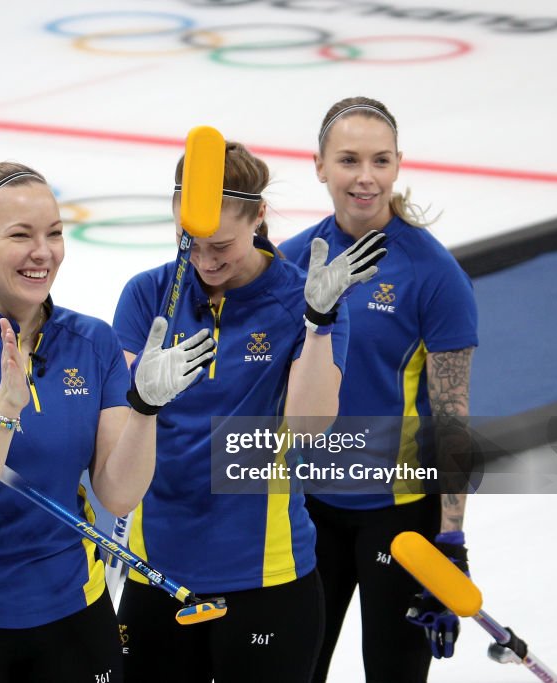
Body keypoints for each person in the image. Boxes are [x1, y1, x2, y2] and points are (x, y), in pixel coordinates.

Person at [0, 161, 215, 682]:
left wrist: (146, 408)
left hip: (73, 616)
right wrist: (4, 410)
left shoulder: (92, 342)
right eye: (21, 235)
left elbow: (118, 495)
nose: (44, 252)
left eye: (55, 233)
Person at [112, 141, 387, 683]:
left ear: (259, 216)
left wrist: (317, 323)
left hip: (265, 577)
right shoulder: (147, 296)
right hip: (156, 573)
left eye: (222, 246)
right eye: (188, 244)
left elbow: (309, 428)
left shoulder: (302, 297)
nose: (205, 261)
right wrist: (141, 400)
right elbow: (122, 434)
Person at [279, 96, 479, 682]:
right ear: (319, 166)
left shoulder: (433, 275)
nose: (365, 178)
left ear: (398, 166)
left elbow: (453, 419)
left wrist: (452, 541)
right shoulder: (292, 264)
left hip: (397, 516)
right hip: (306, 511)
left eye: (380, 161)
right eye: (348, 160)